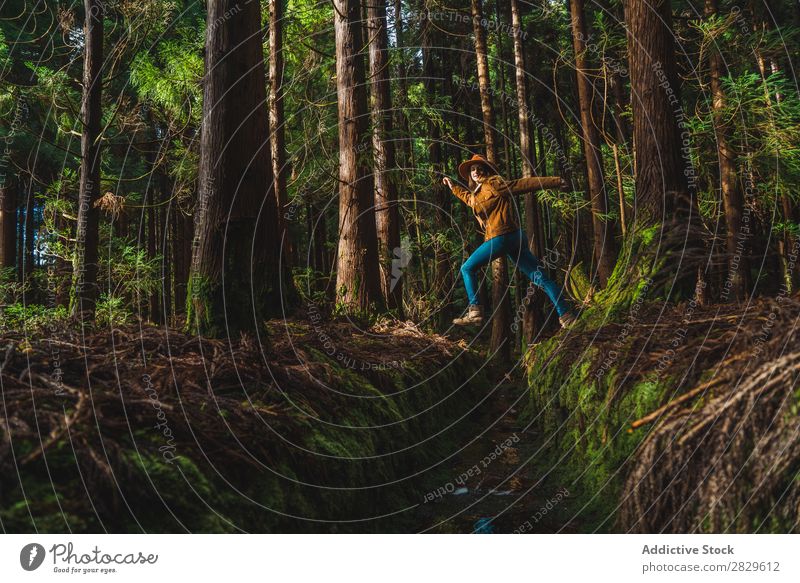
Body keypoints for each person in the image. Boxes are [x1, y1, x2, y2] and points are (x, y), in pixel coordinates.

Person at [442, 153, 577, 328]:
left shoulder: (494, 183)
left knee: (467, 268)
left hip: (502, 236)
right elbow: (469, 199)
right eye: (472, 169)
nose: (475, 172)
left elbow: (522, 184)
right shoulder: (477, 193)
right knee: (540, 277)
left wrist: (555, 181)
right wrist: (452, 186)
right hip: (514, 238)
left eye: (478, 168)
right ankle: (567, 315)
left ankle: (474, 311)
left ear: (485, 169)